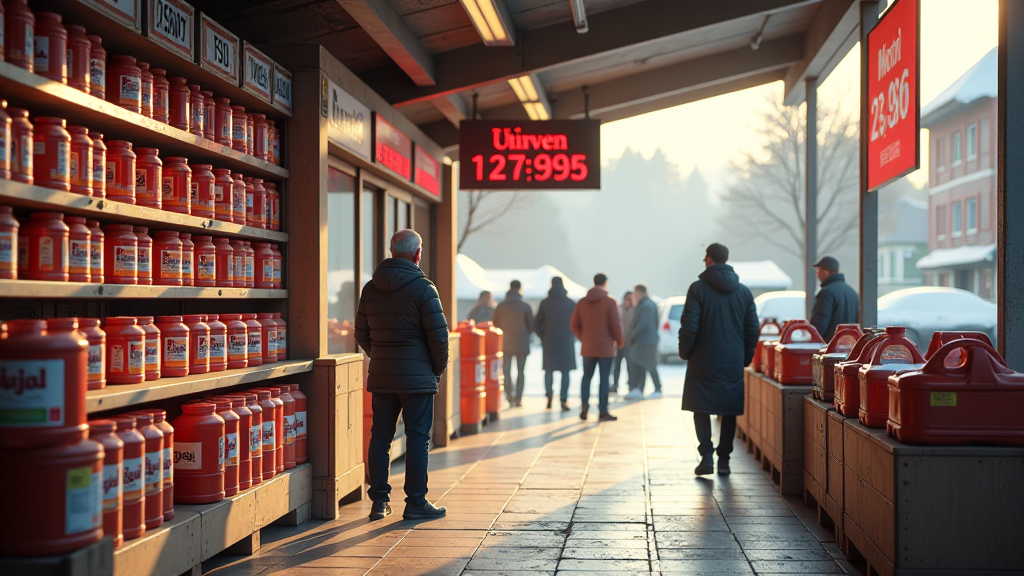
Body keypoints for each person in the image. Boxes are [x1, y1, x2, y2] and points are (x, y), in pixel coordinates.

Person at [355, 230, 450, 521]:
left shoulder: (370, 288)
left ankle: (379, 502)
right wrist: (434, 370)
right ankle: (416, 503)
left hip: (383, 377)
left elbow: (362, 334)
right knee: (418, 439)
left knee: (380, 437)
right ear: (417, 254)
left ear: (392, 251)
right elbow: (439, 339)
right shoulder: (423, 288)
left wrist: (382, 357)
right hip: (417, 379)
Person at [678, 243, 759, 476]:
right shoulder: (743, 292)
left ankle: (706, 457)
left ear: (709, 259)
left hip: (702, 360)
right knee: (729, 409)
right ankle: (724, 460)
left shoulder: (697, 289)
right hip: (732, 360)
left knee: (701, 408)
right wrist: (745, 356)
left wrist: (685, 352)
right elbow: (752, 328)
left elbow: (689, 326)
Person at [570, 273, 624, 422]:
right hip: (606, 348)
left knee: (587, 376)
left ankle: (584, 405)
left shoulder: (582, 302)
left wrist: (584, 338)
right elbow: (615, 325)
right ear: (605, 283)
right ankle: (602, 410)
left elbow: (574, 324)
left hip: (588, 347)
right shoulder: (610, 302)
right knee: (604, 379)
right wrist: (619, 342)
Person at [534, 277, 577, 411]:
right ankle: (564, 398)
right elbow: (577, 323)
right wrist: (572, 335)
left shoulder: (545, 303)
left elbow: (536, 323)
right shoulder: (570, 303)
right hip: (566, 342)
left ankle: (549, 396)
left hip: (550, 342)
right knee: (565, 372)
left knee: (549, 371)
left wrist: (543, 336)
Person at [493, 280, 534, 408]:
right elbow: (531, 326)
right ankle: (519, 397)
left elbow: (495, 324)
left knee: (506, 370)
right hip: (522, 343)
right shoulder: (525, 306)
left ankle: (509, 395)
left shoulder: (501, 306)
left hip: (505, 343)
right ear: (520, 289)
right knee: (521, 371)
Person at [810, 256, 859, 342]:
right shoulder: (852, 292)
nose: (817, 274)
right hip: (848, 346)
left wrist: (813, 339)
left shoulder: (826, 292)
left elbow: (820, 325)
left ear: (825, 272)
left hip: (830, 348)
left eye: (819, 271)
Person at [626, 284, 662, 400]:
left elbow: (643, 324)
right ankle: (640, 388)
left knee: (649, 364)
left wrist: (632, 336)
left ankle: (657, 388)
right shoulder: (648, 304)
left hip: (645, 341)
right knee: (641, 364)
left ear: (639, 292)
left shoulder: (646, 306)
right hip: (647, 340)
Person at [613, 292, 635, 395]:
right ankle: (615, 384)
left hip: (630, 342)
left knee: (630, 365)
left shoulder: (635, 310)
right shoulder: (618, 308)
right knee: (616, 365)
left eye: (631, 299)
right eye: (627, 299)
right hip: (619, 342)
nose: (628, 302)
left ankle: (631, 384)